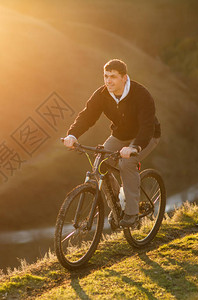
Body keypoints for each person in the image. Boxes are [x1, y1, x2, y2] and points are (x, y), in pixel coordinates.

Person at [63, 59, 161, 227]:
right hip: (121, 135)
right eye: (106, 76)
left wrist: (134, 147)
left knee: (127, 163)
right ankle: (117, 205)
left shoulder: (141, 94)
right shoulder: (102, 94)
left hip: (147, 136)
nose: (108, 81)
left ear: (124, 78)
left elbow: (147, 126)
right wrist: (72, 135)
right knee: (100, 163)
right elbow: (87, 116)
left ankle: (131, 213)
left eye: (113, 77)